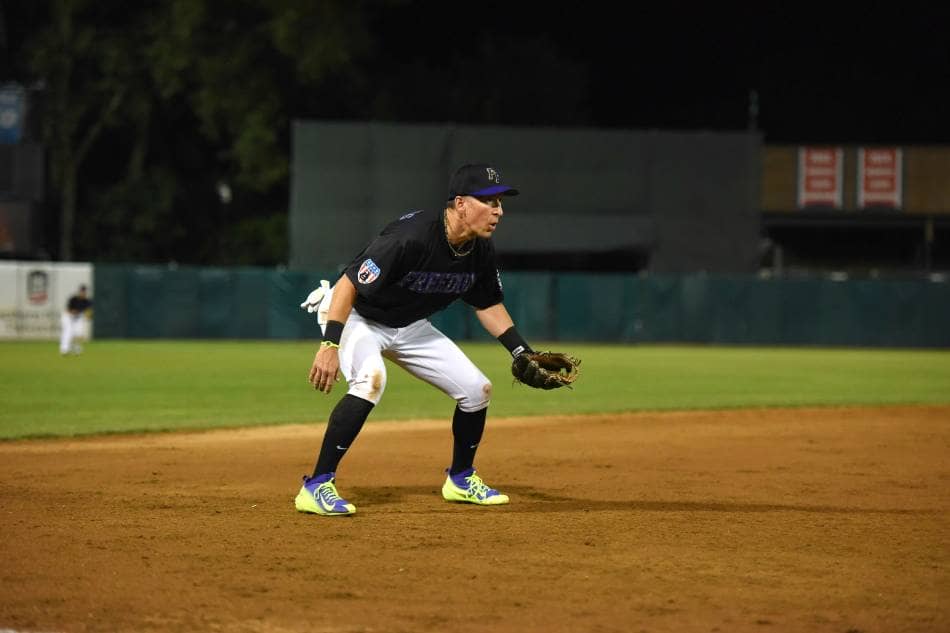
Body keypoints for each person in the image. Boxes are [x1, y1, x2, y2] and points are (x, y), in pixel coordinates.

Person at [295, 163, 540, 516]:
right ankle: (317, 485)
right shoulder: (411, 237)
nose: (498, 211)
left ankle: (460, 479)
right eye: (490, 201)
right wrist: (330, 345)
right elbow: (348, 284)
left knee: (477, 390)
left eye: (501, 203)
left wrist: (521, 352)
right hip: (356, 316)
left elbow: (487, 304)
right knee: (370, 381)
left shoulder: (479, 250)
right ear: (460, 204)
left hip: (408, 324)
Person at [60, 284, 93, 355]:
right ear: (79, 292)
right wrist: (75, 312)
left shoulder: (87, 301)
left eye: (84, 292)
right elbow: (69, 310)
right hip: (68, 316)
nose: (83, 293)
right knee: (68, 331)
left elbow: (88, 313)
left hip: (78, 317)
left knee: (79, 332)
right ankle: (64, 349)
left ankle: (76, 347)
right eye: (82, 291)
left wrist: (88, 315)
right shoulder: (73, 299)